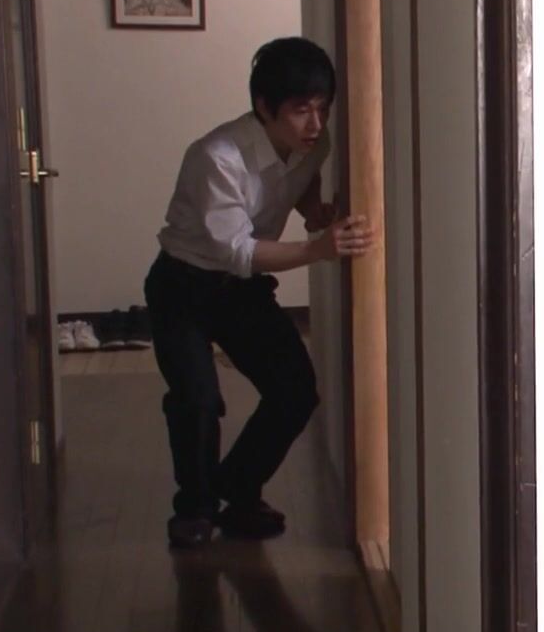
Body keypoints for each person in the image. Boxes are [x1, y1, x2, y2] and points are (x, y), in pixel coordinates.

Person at [144, 37, 373, 549]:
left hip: (241, 291)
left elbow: (301, 180)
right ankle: (195, 509)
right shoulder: (216, 158)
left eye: (323, 108)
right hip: (184, 284)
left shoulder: (315, 144)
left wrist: (313, 211)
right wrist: (318, 248)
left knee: (295, 390)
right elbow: (238, 252)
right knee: (197, 399)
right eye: (301, 110)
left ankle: (238, 487)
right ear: (264, 107)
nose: (316, 123)